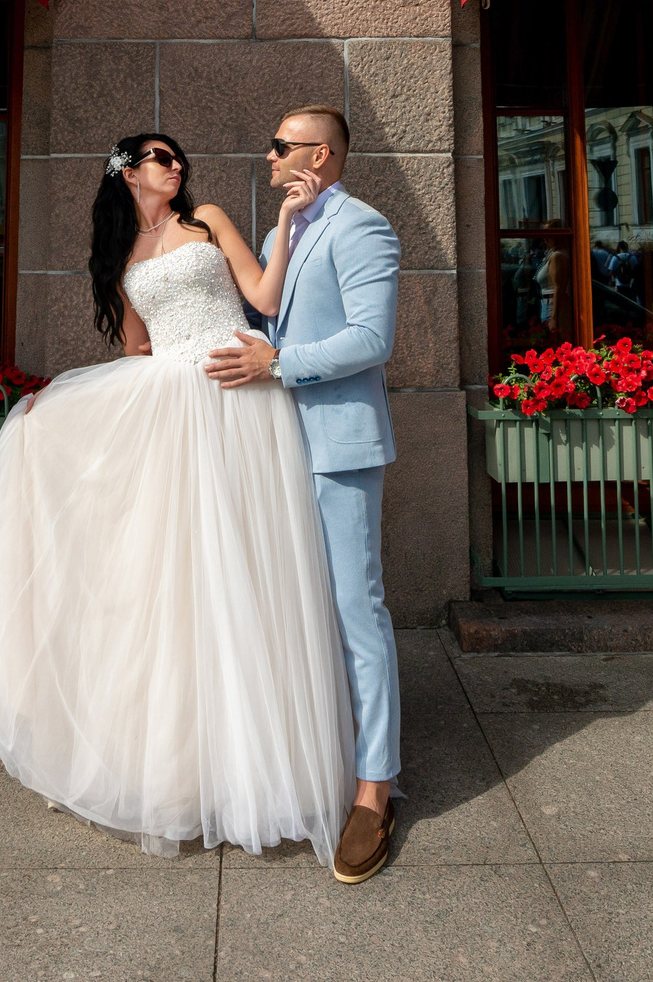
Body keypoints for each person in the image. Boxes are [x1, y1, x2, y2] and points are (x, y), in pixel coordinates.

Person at [0, 130, 356, 869]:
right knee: (176, 579)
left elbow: (264, 296)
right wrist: (66, 408)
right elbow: (138, 349)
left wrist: (285, 223)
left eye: (178, 158)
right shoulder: (121, 260)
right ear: (128, 174)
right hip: (173, 407)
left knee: (251, 567)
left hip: (239, 396)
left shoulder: (209, 221)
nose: (176, 166)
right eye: (160, 158)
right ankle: (184, 766)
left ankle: (263, 762)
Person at [205, 105, 407, 885]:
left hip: (340, 449)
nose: (268, 156)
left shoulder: (363, 227)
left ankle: (374, 791)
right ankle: (320, 755)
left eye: (280, 146)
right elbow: (266, 313)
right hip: (279, 446)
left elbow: (372, 338)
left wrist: (278, 364)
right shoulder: (282, 228)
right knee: (298, 610)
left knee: (358, 612)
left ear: (319, 155)